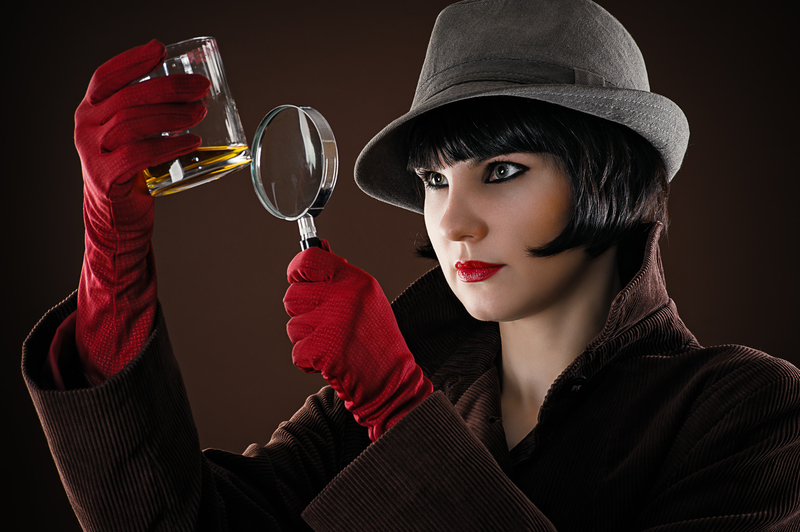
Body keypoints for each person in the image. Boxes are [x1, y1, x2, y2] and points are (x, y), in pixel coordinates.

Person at [22, 0, 800, 530]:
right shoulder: (368, 402)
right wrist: (112, 266)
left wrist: (398, 407)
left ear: (614, 178)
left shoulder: (749, 412)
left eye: (501, 171)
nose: (452, 222)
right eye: (434, 180)